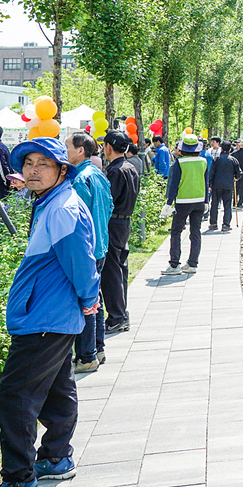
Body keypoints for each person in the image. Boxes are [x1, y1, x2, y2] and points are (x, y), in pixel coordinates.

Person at [0, 137, 99, 487]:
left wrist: (89, 297)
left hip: (46, 317)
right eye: (28, 163)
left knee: (14, 398)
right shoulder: (49, 201)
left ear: (62, 170)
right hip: (50, 314)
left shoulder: (62, 208)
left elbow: (81, 259)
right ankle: (57, 458)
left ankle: (18, 478)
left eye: (42, 164)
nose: (32, 170)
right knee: (58, 389)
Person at [66, 133, 113, 373]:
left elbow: (77, 220)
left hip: (87, 248)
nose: (65, 152)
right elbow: (110, 206)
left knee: (85, 301)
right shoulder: (98, 175)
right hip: (101, 244)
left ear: (81, 150)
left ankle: (86, 356)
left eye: (68, 147)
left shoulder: (80, 179)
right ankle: (98, 347)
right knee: (96, 297)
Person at [101, 132, 139, 335]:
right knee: (121, 268)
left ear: (108, 147)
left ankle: (116, 316)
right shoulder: (130, 166)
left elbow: (108, 200)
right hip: (124, 221)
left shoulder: (115, 171)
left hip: (114, 221)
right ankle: (121, 313)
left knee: (112, 271)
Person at [162, 134, 208, 275]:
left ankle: (174, 265)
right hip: (199, 200)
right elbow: (206, 183)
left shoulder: (179, 163)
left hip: (183, 201)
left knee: (176, 232)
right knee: (196, 232)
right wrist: (206, 201)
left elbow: (174, 185)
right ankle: (192, 264)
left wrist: (169, 203)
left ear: (182, 149)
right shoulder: (203, 161)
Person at [206, 141, 241, 232]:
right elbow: (239, 173)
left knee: (214, 204)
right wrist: (235, 178)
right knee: (227, 205)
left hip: (216, 186)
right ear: (230, 149)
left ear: (221, 148)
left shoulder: (216, 159)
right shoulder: (233, 160)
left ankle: (213, 224)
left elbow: (211, 173)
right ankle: (226, 224)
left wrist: (209, 184)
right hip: (228, 186)